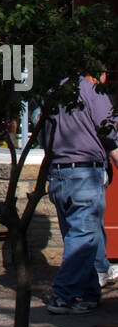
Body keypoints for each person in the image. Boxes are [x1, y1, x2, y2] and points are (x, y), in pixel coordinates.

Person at [44, 67, 118, 314]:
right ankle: (63, 296)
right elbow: (109, 130)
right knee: (84, 237)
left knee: (81, 234)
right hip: (85, 172)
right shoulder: (92, 90)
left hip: (58, 172)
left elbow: (44, 136)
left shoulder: (52, 92)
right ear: (99, 74)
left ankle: (89, 295)